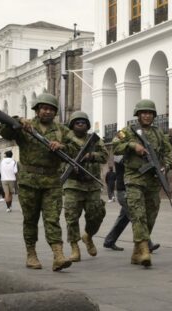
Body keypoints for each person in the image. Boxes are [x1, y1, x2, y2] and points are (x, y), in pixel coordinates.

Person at [0, 93, 73, 272]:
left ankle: (58, 255)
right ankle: (31, 254)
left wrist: (62, 146)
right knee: (30, 219)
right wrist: (17, 120)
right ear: (37, 110)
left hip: (52, 181)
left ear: (55, 112)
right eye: (43, 108)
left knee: (52, 219)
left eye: (51, 109)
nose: (47, 112)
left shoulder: (62, 130)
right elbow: (4, 131)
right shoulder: (27, 126)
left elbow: (75, 148)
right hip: (29, 181)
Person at [112, 99, 172, 267]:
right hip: (134, 178)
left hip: (153, 180)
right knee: (138, 215)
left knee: (151, 216)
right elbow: (115, 146)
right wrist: (132, 145)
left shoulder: (159, 133)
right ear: (137, 115)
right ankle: (145, 250)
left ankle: (137, 251)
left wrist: (165, 167)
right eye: (143, 113)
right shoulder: (128, 131)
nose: (147, 115)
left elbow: (168, 153)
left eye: (150, 113)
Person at [63, 111, 107, 262]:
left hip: (92, 184)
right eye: (77, 122)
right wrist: (69, 165)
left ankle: (88, 236)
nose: (80, 124)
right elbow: (58, 158)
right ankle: (74, 247)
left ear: (87, 125)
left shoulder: (94, 140)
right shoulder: (66, 140)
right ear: (72, 125)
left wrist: (91, 155)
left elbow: (105, 155)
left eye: (83, 122)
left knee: (97, 214)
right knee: (71, 217)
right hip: (73, 184)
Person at [103, 157, 160, 253]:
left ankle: (109, 241)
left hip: (131, 190)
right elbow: (126, 162)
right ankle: (147, 244)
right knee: (137, 217)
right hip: (124, 191)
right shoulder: (120, 152)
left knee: (123, 219)